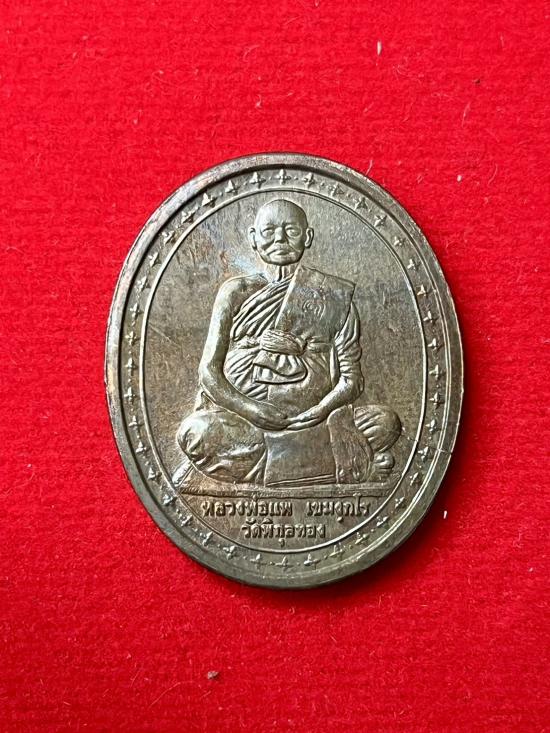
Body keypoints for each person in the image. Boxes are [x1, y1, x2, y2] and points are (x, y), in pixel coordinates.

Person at [175, 198, 401, 488]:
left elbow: (351, 380)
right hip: (245, 422)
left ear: (307, 237)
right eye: (269, 231)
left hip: (314, 421)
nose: (280, 239)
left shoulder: (333, 296)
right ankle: (342, 463)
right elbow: (208, 373)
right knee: (196, 434)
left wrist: (318, 411)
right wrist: (251, 410)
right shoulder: (236, 292)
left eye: (291, 231)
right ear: (253, 238)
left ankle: (272, 468)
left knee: (385, 424)